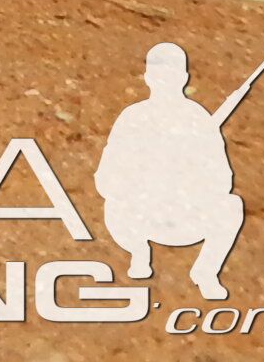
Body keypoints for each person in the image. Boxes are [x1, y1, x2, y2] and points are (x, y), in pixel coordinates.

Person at [95, 39, 251, 302]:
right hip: (138, 216)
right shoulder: (133, 118)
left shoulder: (198, 120)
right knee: (115, 203)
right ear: (148, 78)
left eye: (170, 74)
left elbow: (222, 179)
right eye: (159, 74)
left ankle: (206, 272)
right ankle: (138, 252)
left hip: (185, 215)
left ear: (183, 77)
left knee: (231, 205)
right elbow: (106, 177)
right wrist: (141, 177)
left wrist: (188, 172)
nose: (165, 80)